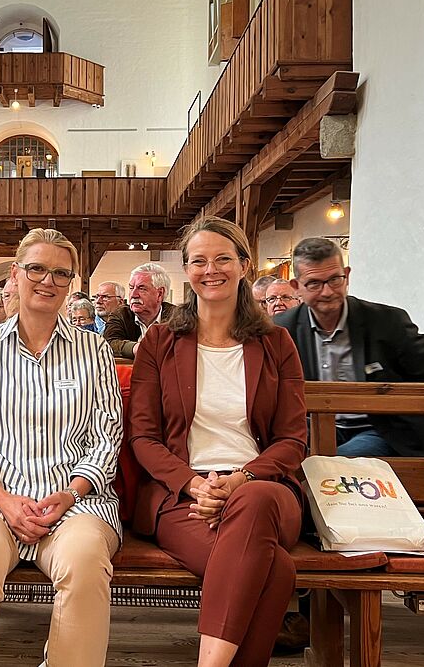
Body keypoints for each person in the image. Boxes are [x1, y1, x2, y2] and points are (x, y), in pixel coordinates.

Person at [0, 228, 123, 666]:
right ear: (15, 275)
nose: (47, 280)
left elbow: (108, 431)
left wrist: (73, 491)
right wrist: (4, 499)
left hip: (76, 501)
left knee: (86, 563)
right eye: (36, 268)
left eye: (60, 273)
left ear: (71, 283)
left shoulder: (94, 349)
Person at [129, 217, 306, 666]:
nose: (212, 270)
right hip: (183, 497)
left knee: (257, 502)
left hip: (265, 488)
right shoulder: (160, 342)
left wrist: (241, 479)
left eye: (223, 258)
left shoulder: (276, 342)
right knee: (274, 568)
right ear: (186, 270)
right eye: (199, 260)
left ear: (244, 265)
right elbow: (144, 437)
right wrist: (194, 483)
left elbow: (291, 439)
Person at [274, 237, 424, 457]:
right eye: (314, 283)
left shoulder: (387, 322)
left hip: (381, 431)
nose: (327, 292)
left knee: (335, 462)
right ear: (296, 286)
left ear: (346, 275)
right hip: (310, 432)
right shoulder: (282, 330)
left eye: (335, 280)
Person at [104, 263, 177, 360]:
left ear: (160, 294)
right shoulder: (120, 314)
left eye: (142, 289)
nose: (133, 295)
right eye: (131, 288)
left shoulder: (177, 316)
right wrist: (135, 348)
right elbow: (108, 343)